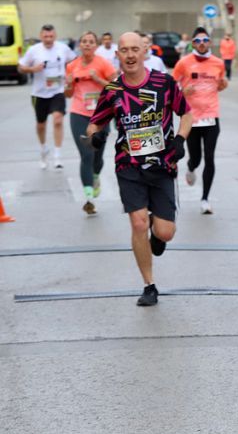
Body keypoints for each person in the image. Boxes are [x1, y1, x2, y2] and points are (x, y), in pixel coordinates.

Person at [87, 32, 192, 307]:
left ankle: (158, 238)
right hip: (128, 166)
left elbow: (187, 113)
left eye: (135, 49)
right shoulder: (113, 91)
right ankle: (149, 285)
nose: (130, 55)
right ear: (118, 55)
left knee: (165, 232)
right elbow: (94, 124)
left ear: (144, 52)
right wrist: (95, 137)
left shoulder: (164, 83)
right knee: (138, 222)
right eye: (125, 50)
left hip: (162, 164)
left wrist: (180, 139)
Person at [172, 27, 228, 214]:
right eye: (197, 40)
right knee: (195, 157)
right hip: (191, 118)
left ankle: (205, 198)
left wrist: (223, 84)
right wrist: (181, 92)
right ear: (193, 43)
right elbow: (172, 87)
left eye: (205, 40)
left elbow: (219, 84)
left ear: (210, 42)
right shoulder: (184, 63)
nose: (201, 43)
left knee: (209, 157)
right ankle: (190, 167)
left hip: (212, 117)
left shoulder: (218, 63)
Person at [65, 31, 118, 214]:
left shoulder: (103, 63)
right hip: (79, 113)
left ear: (96, 46)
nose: (87, 44)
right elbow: (68, 94)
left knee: (97, 156)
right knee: (86, 154)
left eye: (91, 42)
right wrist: (69, 85)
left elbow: (115, 87)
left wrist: (98, 79)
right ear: (80, 45)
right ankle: (88, 198)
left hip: (101, 114)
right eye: (84, 41)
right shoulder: (72, 66)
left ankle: (95, 175)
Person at [18, 24, 74, 169]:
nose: (48, 39)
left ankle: (57, 155)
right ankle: (43, 149)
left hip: (58, 91)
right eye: (45, 36)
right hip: (39, 93)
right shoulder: (33, 50)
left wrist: (69, 75)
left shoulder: (63, 48)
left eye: (51, 36)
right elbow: (20, 67)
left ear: (55, 36)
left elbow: (74, 62)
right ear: (41, 36)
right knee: (41, 125)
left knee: (57, 120)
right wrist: (32, 69)